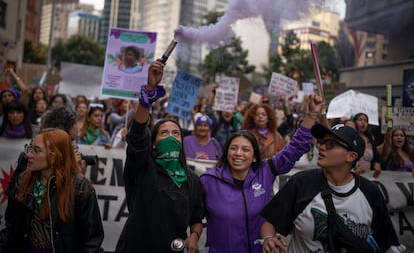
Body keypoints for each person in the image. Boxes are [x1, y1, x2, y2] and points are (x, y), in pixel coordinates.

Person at [200, 94, 323, 253]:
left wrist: (312, 115)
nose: (238, 153)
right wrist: (194, 235)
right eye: (233, 148)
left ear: (254, 157)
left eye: (245, 149)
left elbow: (294, 148)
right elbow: (192, 214)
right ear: (226, 152)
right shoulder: (208, 180)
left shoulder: (266, 171)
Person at [260, 123, 401, 253]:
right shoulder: (301, 182)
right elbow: (270, 222)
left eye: (331, 144)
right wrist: (268, 238)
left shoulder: (370, 192)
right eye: (322, 142)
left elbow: (387, 243)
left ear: (351, 156)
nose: (321, 147)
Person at [115, 59, 204, 253]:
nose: (171, 137)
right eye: (164, 133)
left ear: (182, 141)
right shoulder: (143, 167)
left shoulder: (192, 180)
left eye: (176, 133)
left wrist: (194, 236)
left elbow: (197, 218)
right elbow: (137, 135)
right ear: (153, 142)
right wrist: (148, 91)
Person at [0, 128, 104, 252]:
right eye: (30, 148)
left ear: (54, 157)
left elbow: (92, 241)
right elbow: (10, 230)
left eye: (36, 150)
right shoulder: (22, 181)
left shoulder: (81, 188)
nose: (29, 155)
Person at [352, 112, 381, 177]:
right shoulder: (351, 138)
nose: (363, 122)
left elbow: (376, 157)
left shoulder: (370, 140)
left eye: (365, 121)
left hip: (368, 176)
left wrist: (376, 163)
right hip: (353, 175)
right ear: (354, 122)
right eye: (360, 120)